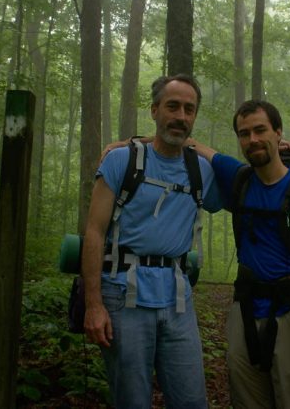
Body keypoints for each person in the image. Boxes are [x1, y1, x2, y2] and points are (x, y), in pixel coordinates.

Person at [188, 99, 290, 409]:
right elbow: (189, 143)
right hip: (245, 311)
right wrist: (125, 144)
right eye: (244, 133)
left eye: (261, 130)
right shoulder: (240, 179)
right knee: (246, 400)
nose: (253, 140)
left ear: (279, 134)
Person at [81, 74, 221, 409]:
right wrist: (93, 305)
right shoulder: (120, 161)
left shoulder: (201, 170)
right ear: (154, 110)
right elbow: (94, 233)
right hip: (121, 295)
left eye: (189, 109)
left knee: (191, 400)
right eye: (172, 106)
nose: (181, 116)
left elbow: (252, 181)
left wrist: (283, 148)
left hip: (177, 299)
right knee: (131, 400)